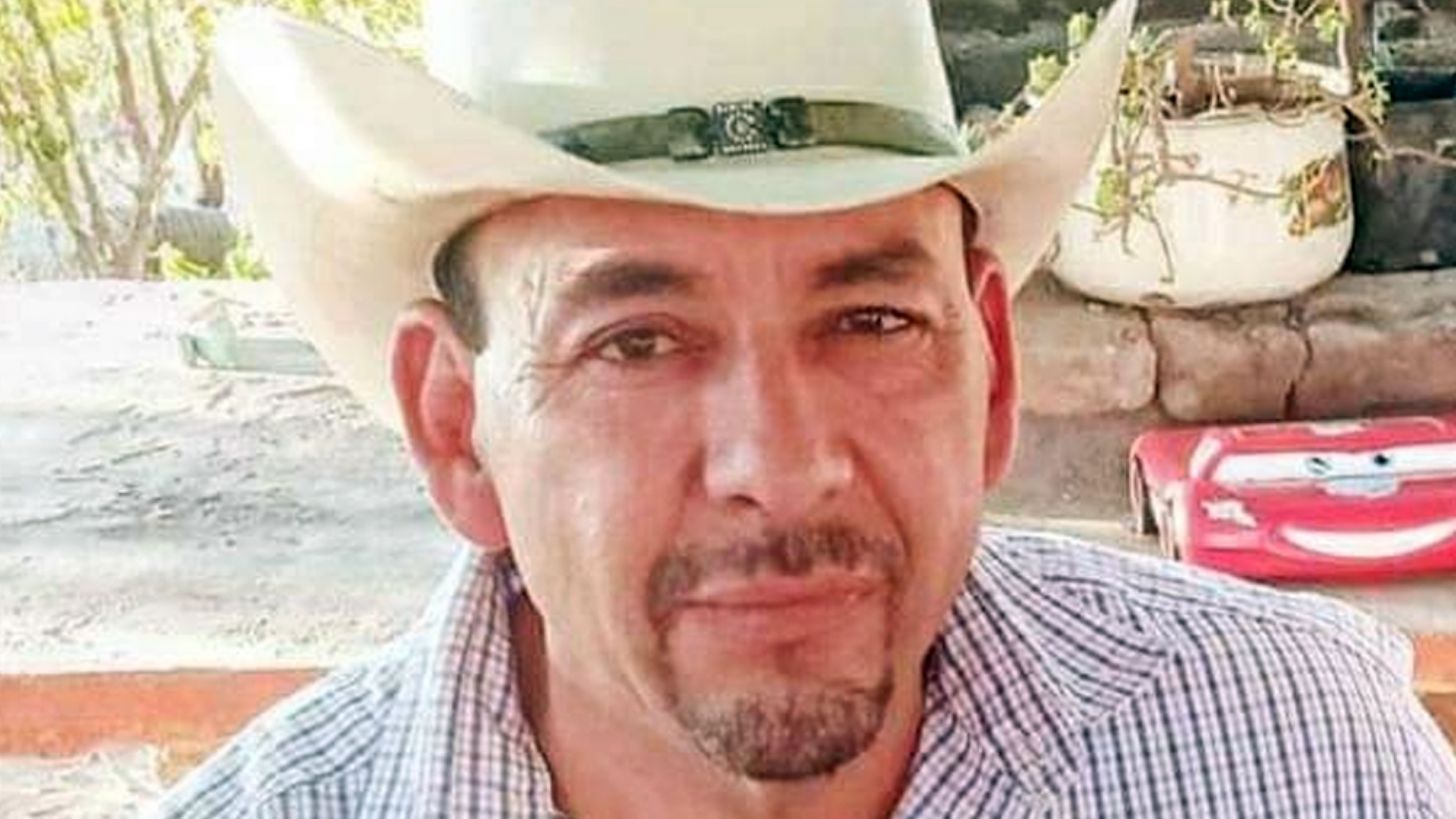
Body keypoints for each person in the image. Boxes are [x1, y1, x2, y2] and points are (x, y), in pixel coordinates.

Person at [153, 0, 1456, 816]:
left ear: (993, 369)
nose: (780, 466)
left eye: (872, 321)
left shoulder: (1297, 757)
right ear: (457, 427)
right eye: (636, 343)